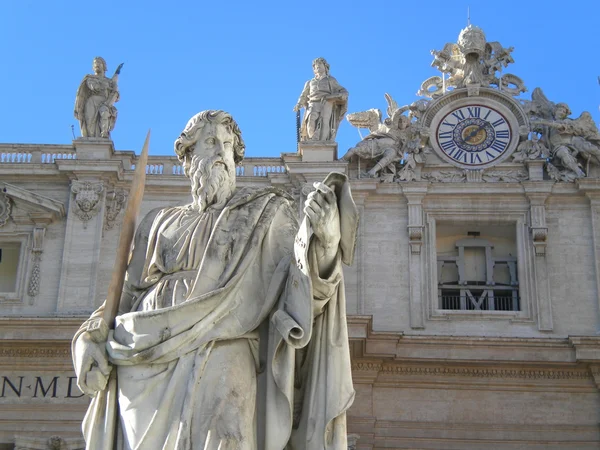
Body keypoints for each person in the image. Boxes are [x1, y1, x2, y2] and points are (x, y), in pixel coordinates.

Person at [72, 110, 358, 450]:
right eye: (210, 142)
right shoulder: (158, 221)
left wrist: (326, 242)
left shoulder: (267, 212)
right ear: (188, 157)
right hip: (145, 358)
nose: (221, 152)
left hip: (228, 343)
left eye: (228, 145)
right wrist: (88, 338)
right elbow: (124, 297)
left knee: (228, 437)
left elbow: (298, 287)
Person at [293, 58, 348, 142]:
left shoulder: (331, 80)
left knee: (325, 122)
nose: (317, 66)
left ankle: (323, 142)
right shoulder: (310, 82)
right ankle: (312, 140)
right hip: (312, 103)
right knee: (311, 120)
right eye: (315, 66)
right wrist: (299, 104)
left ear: (325, 67)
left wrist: (336, 96)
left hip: (327, 102)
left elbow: (343, 91)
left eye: (320, 65)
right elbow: (303, 95)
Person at [74, 57, 123, 139]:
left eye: (98, 62)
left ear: (104, 66)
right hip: (91, 102)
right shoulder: (90, 78)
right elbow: (93, 87)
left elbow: (116, 96)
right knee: (90, 124)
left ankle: (103, 137)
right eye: (95, 63)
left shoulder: (109, 81)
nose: (96, 65)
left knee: (104, 116)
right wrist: (105, 86)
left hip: (105, 102)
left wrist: (114, 90)